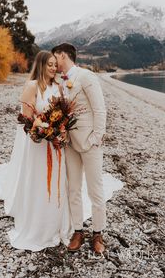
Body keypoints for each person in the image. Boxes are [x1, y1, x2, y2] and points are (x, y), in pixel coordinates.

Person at [0, 51, 75, 251]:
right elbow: (26, 120)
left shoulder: (59, 86)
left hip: (55, 144)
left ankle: (56, 223)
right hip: (38, 146)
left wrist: (61, 130)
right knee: (38, 181)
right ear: (40, 65)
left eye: (55, 64)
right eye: (49, 64)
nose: (53, 68)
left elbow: (64, 115)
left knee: (57, 182)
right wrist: (41, 130)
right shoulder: (32, 87)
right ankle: (36, 225)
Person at [52, 42, 108, 254]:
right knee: (73, 188)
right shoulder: (60, 81)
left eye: (55, 57)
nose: (53, 62)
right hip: (69, 143)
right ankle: (78, 231)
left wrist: (96, 137)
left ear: (63, 55)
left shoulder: (86, 76)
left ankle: (98, 233)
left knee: (95, 189)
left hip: (89, 142)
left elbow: (99, 109)